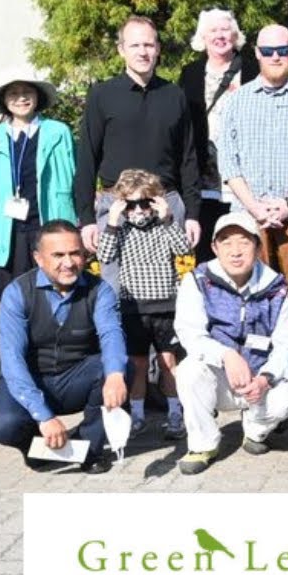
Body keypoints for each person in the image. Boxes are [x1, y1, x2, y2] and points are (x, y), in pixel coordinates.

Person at [218, 23, 288, 388]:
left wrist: (287, 202)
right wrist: (254, 207)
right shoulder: (237, 101)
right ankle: (260, 372)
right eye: (268, 51)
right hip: (250, 219)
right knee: (253, 298)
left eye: (283, 50)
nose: (276, 57)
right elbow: (228, 163)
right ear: (257, 54)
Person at [0, 220, 129, 475]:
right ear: (38, 258)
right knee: (4, 424)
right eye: (58, 255)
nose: (69, 262)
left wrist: (116, 376)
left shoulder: (100, 290)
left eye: (75, 253)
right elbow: (12, 358)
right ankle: (39, 448)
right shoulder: (17, 293)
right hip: (32, 377)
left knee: (118, 369)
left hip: (75, 377)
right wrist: (44, 417)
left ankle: (89, 450)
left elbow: (111, 334)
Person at [76, 15, 199, 287]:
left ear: (158, 49)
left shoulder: (175, 95)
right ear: (121, 49)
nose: (143, 52)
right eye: (135, 45)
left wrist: (192, 214)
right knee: (113, 291)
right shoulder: (102, 95)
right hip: (117, 206)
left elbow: (188, 159)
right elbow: (87, 159)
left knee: (172, 290)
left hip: (164, 205)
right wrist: (87, 219)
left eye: (149, 45)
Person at [173, 211, 288, 474]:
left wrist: (265, 378)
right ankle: (203, 444)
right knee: (187, 371)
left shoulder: (277, 288)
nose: (235, 251)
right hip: (219, 376)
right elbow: (190, 333)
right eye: (227, 242)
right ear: (214, 248)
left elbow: (287, 346)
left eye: (244, 242)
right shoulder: (197, 281)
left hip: (258, 378)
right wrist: (226, 355)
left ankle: (255, 429)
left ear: (258, 247)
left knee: (287, 397)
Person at [96, 169, 192, 440]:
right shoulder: (120, 229)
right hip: (133, 307)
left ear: (155, 201)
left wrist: (167, 217)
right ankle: (137, 415)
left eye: (144, 202)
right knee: (137, 364)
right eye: (131, 204)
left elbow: (183, 248)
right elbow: (105, 255)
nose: (138, 210)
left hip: (165, 305)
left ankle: (175, 413)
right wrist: (112, 221)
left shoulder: (164, 226)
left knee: (168, 361)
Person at [0, 68, 77, 301]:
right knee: (10, 295)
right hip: (7, 230)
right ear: (4, 100)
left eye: (27, 92)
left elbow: (75, 176)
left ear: (37, 96)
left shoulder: (58, 132)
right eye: (13, 93)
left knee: (54, 292)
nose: (21, 98)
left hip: (48, 221)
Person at [178, 8, 256, 263]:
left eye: (225, 30)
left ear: (235, 35)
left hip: (245, 179)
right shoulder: (190, 73)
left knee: (244, 248)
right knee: (207, 252)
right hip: (205, 178)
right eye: (213, 30)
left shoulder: (253, 69)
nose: (220, 36)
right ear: (203, 37)